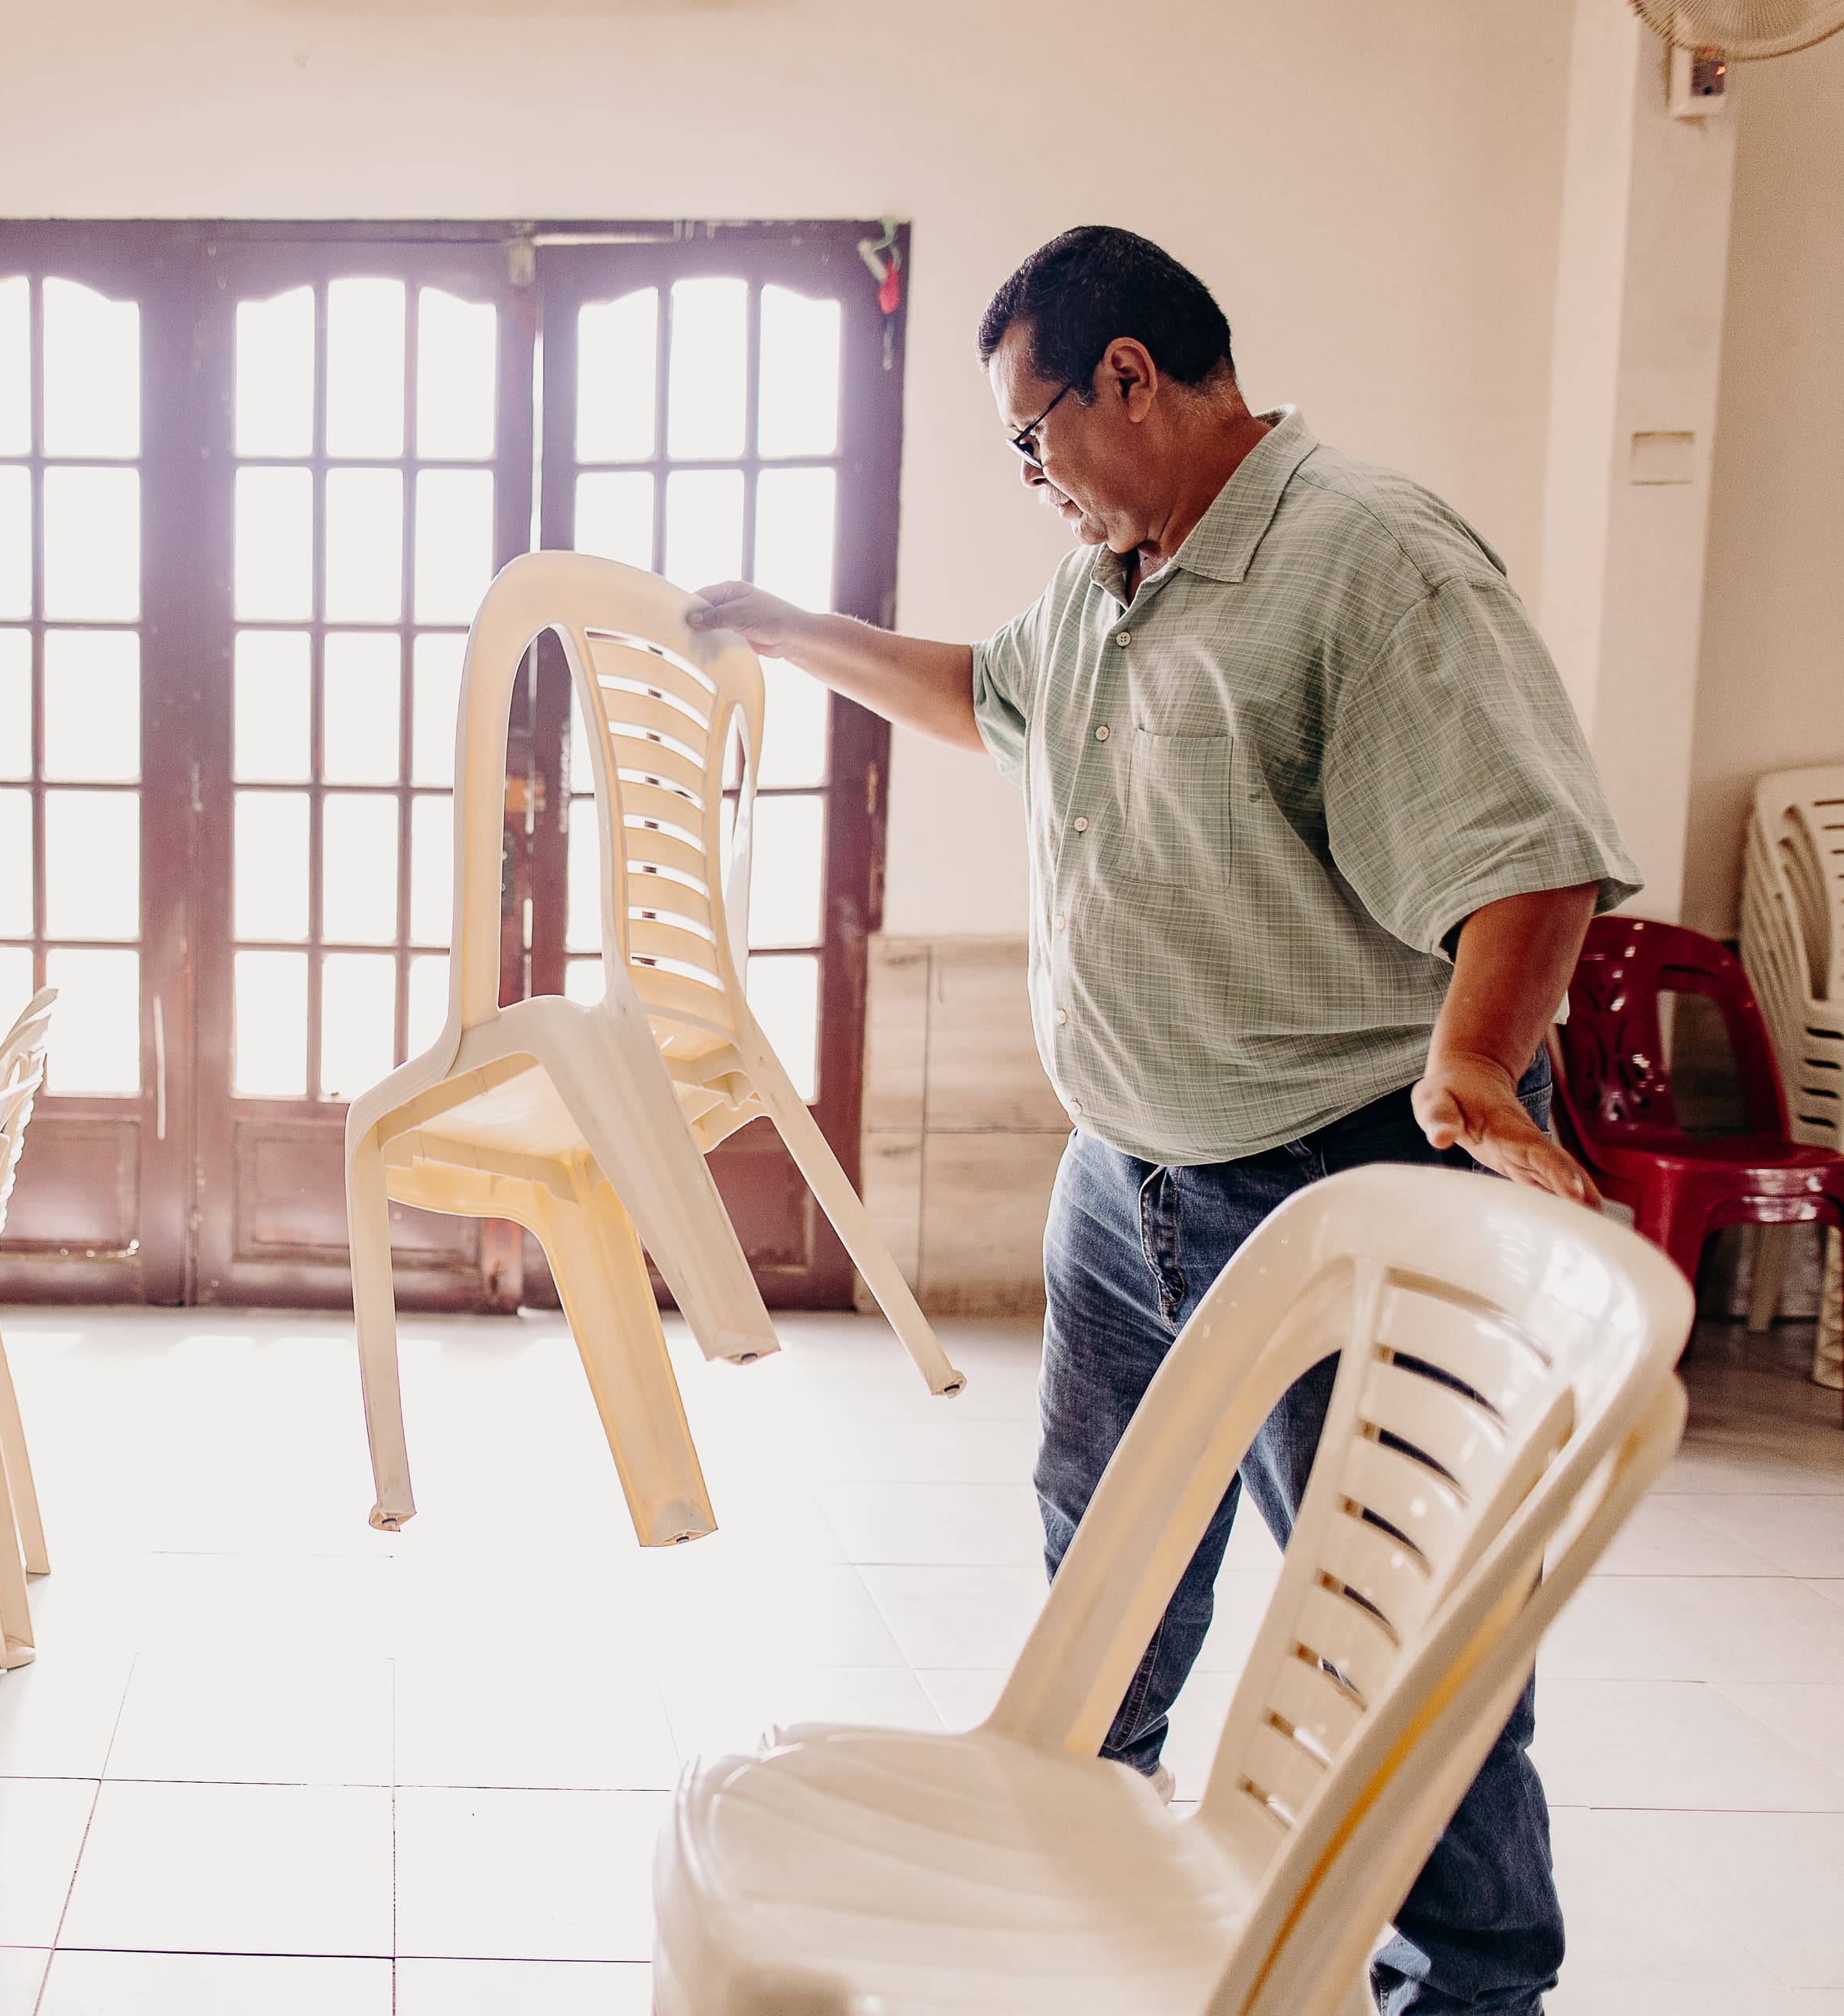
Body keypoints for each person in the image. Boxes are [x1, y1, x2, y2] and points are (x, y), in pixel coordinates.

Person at [689, 224, 1636, 2016]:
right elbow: (989, 696)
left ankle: (1473, 1985)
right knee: (1107, 1562)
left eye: (1032, 435)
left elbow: (1534, 850)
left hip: (1336, 1178)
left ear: (1131, 376)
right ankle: (1081, 1865)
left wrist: (1482, 1064)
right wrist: (789, 628)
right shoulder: (1121, 577)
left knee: (1400, 1625)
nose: (1031, 477)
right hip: (1127, 1177)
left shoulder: (1368, 556)